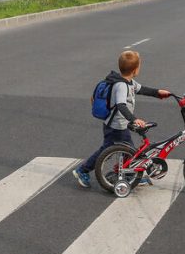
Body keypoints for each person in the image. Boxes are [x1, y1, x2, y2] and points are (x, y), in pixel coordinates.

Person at [73, 50, 170, 188]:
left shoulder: (129, 82)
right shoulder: (121, 86)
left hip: (119, 124)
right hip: (116, 126)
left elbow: (142, 89)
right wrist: (134, 119)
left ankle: (127, 174)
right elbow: (120, 105)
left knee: (117, 150)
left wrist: (158, 93)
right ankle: (84, 170)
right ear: (135, 69)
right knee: (121, 150)